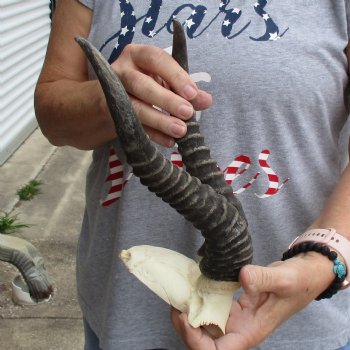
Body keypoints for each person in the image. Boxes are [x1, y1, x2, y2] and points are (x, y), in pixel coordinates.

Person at [34, 1, 350, 349]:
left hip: (302, 321)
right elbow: (52, 114)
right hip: (126, 313)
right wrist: (107, 99)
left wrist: (325, 257)